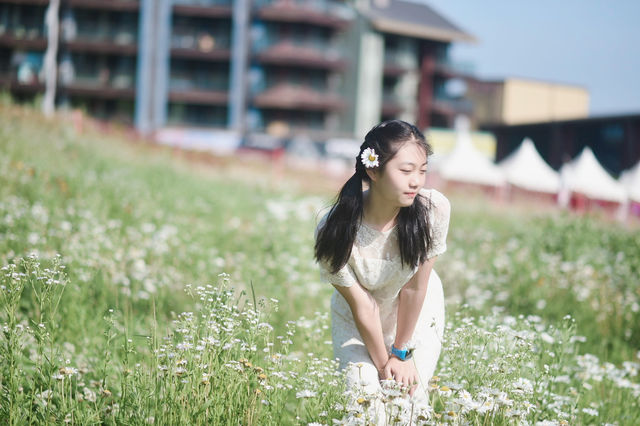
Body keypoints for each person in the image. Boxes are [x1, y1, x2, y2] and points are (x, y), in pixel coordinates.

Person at [314, 120, 450, 421]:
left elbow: (415, 288)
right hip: (357, 322)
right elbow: (364, 306)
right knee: (367, 406)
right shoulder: (334, 228)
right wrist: (383, 364)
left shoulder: (432, 211)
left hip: (416, 314)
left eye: (422, 170)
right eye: (405, 171)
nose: (416, 181)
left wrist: (401, 354)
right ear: (373, 170)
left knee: (407, 407)